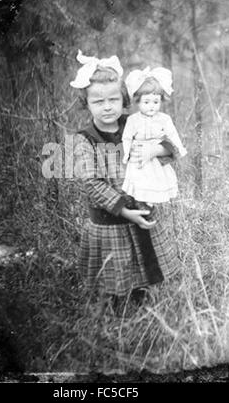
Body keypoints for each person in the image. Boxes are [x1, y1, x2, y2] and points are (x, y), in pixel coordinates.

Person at [70, 50, 181, 309]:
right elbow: (92, 184)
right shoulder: (84, 139)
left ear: (124, 99)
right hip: (110, 220)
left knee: (144, 265)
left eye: (113, 99)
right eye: (98, 102)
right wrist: (124, 210)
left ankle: (144, 305)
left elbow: (171, 145)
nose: (107, 106)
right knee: (115, 274)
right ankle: (113, 313)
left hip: (143, 208)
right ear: (86, 103)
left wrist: (157, 150)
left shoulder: (137, 123)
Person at [122, 67, 187, 214]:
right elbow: (126, 137)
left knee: (156, 179)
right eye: (146, 102)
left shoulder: (164, 119)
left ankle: (151, 206)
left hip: (156, 157)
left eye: (155, 102)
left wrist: (179, 147)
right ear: (138, 102)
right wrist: (126, 154)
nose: (151, 106)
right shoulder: (133, 120)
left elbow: (172, 134)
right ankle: (142, 204)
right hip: (138, 157)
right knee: (140, 181)